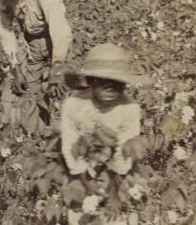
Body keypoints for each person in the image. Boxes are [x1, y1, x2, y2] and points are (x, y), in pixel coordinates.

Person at [0, 0, 73, 133]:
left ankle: (66, 136)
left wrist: (57, 68)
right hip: (33, 45)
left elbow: (60, 32)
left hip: (58, 44)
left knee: (60, 91)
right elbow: (6, 34)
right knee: (30, 92)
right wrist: (16, 69)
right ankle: (36, 137)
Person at [60, 44, 149, 177]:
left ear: (125, 84)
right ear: (90, 81)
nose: (110, 88)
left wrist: (113, 177)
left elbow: (124, 153)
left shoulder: (129, 108)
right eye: (103, 81)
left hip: (114, 169)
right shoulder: (74, 105)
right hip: (80, 166)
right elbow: (70, 143)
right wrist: (81, 175)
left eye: (118, 83)